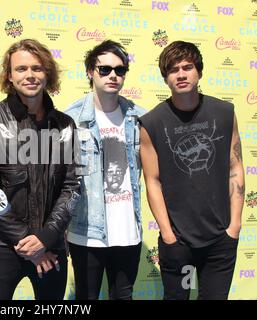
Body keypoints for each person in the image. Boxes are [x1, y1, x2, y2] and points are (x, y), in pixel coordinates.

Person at [0, 38, 80, 300]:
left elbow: (72, 186)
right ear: (9, 75)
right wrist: (28, 242)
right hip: (3, 246)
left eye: (37, 68)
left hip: (51, 247)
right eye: (21, 69)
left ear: (47, 73)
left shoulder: (65, 125)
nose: (30, 75)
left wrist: (45, 238)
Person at [139, 40, 244, 300]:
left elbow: (235, 166)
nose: (181, 74)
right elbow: (152, 180)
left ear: (199, 71)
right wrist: (168, 234)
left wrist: (235, 226)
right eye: (174, 69)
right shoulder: (151, 122)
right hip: (178, 243)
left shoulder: (224, 112)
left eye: (187, 67)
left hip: (221, 239)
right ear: (165, 77)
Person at [65, 40, 145, 300]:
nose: (113, 75)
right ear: (90, 72)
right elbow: (59, 182)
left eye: (120, 70)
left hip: (128, 231)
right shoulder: (71, 119)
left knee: (123, 295)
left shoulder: (140, 118)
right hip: (86, 232)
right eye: (105, 69)